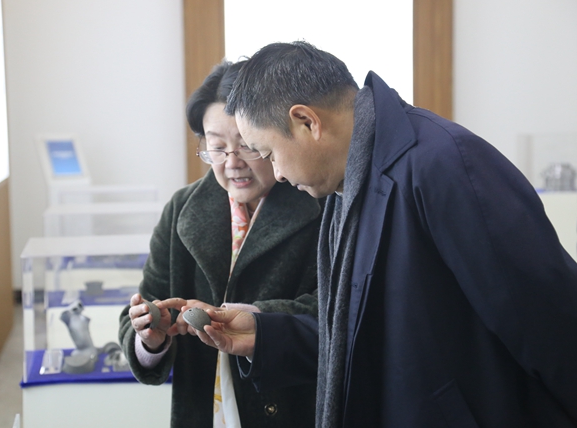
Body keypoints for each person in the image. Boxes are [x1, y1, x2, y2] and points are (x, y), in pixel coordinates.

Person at [192, 42, 577, 427]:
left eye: (269, 153)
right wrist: (265, 334)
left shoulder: (444, 164)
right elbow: (370, 332)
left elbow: (550, 322)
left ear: (307, 122)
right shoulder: (347, 185)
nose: (276, 173)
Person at [118, 59, 322, 428]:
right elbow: (145, 305)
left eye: (247, 146)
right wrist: (150, 336)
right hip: (204, 405)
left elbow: (336, 309)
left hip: (291, 406)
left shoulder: (318, 202)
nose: (232, 163)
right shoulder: (183, 208)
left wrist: (254, 319)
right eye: (216, 147)